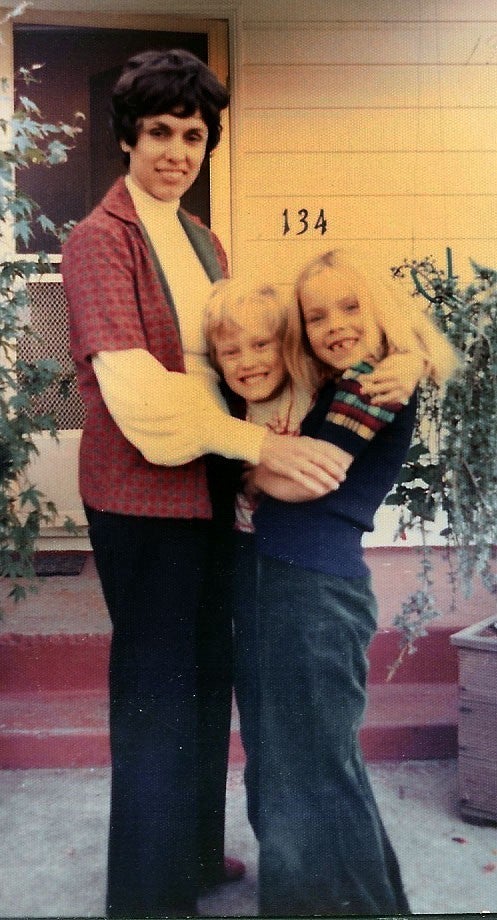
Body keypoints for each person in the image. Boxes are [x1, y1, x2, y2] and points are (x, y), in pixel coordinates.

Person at [61, 50, 350, 919]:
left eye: (192, 135)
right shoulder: (97, 241)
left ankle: (188, 853)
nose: (176, 151)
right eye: (159, 132)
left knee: (206, 675)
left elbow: (233, 361)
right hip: (139, 498)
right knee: (155, 685)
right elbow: (142, 401)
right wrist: (254, 448)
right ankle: (145, 894)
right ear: (126, 138)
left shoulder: (201, 238)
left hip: (210, 492)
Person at [248, 249, 460, 916]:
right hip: (296, 583)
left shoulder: (368, 386)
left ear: (378, 313)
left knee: (312, 771)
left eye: (349, 306)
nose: (333, 324)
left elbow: (303, 476)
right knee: (295, 764)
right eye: (315, 316)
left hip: (310, 592)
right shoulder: (354, 383)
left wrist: (244, 467)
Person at [202, 273, 437, 843]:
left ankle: (328, 892)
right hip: (257, 572)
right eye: (229, 350)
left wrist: (254, 470)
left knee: (314, 754)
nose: (248, 360)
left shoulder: (336, 389)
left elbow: (318, 473)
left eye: (263, 345)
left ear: (288, 346)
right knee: (274, 742)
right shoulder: (230, 403)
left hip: (313, 578)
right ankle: (291, 876)